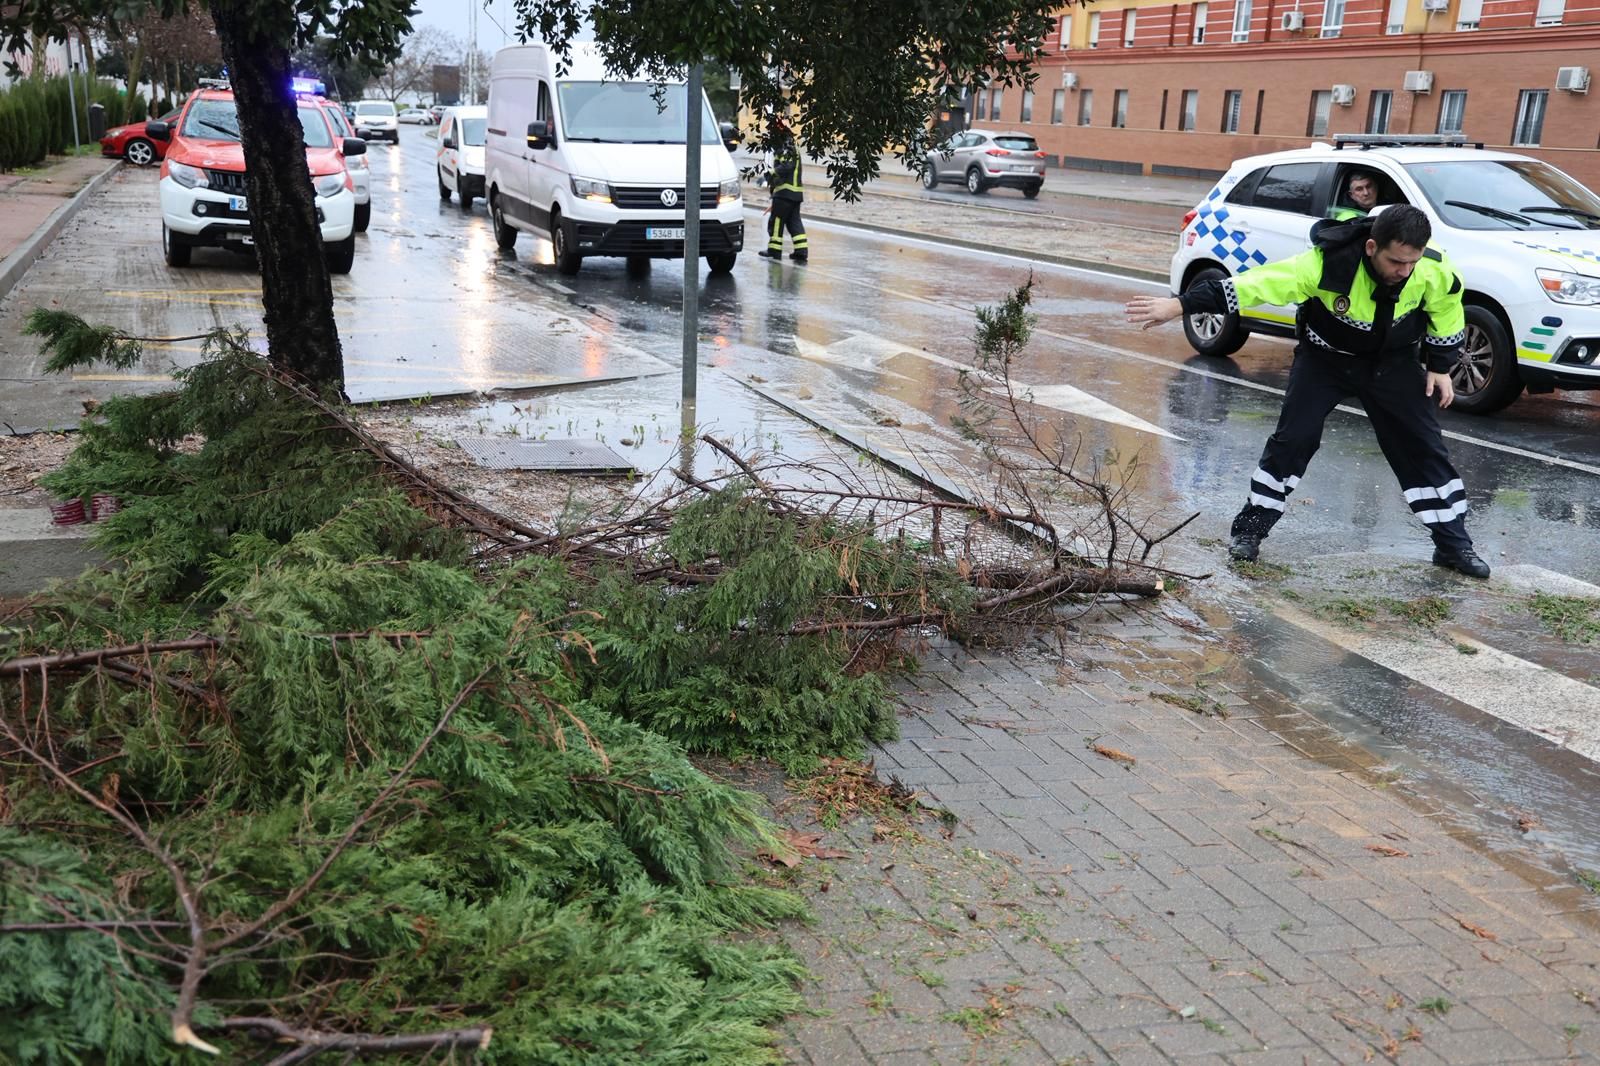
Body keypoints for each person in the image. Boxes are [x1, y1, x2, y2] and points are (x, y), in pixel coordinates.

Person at [1125, 205, 1491, 579]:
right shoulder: (1324, 265)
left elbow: (1447, 309)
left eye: (1411, 262)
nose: (1404, 271)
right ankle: (1249, 532)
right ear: (1371, 248)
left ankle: (1453, 545)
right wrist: (1180, 304)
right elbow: (1254, 285)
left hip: (1392, 363)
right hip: (1325, 360)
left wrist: (1441, 366)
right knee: (1293, 441)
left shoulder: (1432, 268)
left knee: (1423, 447)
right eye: (1396, 262)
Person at [760, 118, 808, 263]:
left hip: (785, 193)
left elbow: (786, 166)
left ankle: (774, 251)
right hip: (795, 194)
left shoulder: (785, 145)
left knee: (776, 221)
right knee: (794, 222)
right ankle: (801, 251)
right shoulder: (791, 144)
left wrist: (769, 175)